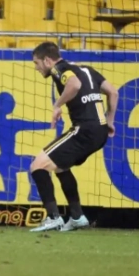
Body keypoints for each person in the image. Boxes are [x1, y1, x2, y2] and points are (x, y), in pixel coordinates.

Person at [28, 42, 118, 232]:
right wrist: (110, 121)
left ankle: (53, 218)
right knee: (61, 167)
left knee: (37, 166)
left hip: (84, 130)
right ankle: (77, 216)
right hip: (99, 132)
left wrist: (57, 105)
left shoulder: (58, 69)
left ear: (47, 60)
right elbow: (113, 92)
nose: (36, 68)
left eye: (37, 63)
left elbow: (74, 84)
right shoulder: (87, 70)